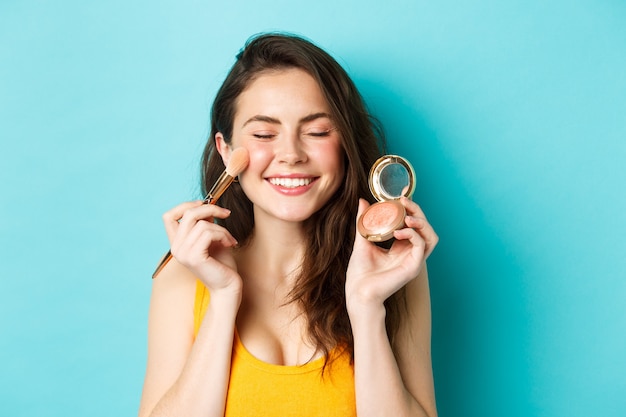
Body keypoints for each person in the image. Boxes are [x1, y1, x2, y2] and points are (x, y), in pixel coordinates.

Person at [138, 32, 439, 417]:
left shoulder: (397, 272)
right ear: (225, 149)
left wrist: (367, 309)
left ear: (345, 145)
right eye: (264, 134)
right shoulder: (182, 277)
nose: (292, 155)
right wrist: (223, 299)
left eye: (317, 132)